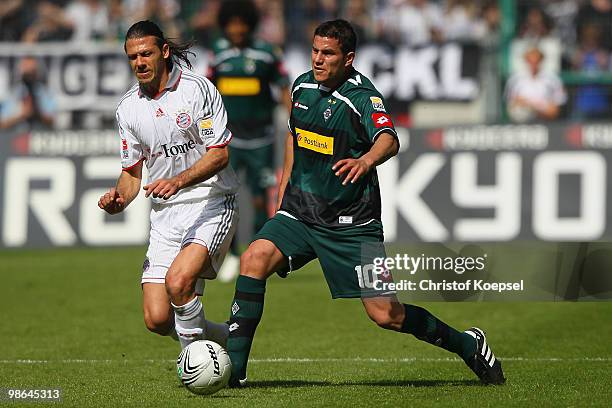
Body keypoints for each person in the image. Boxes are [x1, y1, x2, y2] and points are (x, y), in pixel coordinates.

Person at [225, 19, 505, 387]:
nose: (318, 60)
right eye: (315, 51)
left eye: (328, 53)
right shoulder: (302, 86)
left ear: (349, 58)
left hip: (351, 224)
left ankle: (468, 344)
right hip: (300, 211)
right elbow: (294, 138)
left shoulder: (362, 97)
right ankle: (234, 374)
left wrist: (365, 160)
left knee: (386, 314)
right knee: (253, 258)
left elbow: (389, 139)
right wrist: (282, 195)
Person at [98, 20, 238, 350]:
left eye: (145, 54)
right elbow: (132, 174)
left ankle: (195, 364)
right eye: (132, 57)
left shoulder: (196, 89)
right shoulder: (128, 109)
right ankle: (228, 339)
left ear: (163, 52)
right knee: (157, 319)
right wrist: (120, 198)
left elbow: (219, 155)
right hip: (164, 215)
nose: (139, 63)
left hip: (211, 201)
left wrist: (178, 181)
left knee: (179, 282)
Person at [208, 0, 291, 282]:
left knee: (259, 199)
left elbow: (282, 88)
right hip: (228, 139)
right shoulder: (218, 55)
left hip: (262, 139)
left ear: (250, 23)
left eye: (241, 22)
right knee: (225, 199)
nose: (237, 28)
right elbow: (208, 94)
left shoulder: (267, 53)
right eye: (232, 23)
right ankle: (229, 254)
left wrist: (295, 123)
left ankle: (258, 254)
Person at [505, 46, 566, 122]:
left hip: (546, 124)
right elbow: (510, 107)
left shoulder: (553, 80)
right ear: (526, 61)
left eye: (536, 61)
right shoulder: (514, 80)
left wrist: (533, 108)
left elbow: (555, 110)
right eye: (530, 61)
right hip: (520, 125)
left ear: (541, 61)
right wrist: (519, 103)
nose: (533, 65)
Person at [0, 57, 56, 132]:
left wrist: (37, 112)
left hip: (39, 135)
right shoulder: (14, 93)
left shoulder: (44, 92)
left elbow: (52, 120)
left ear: (37, 72)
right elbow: (2, 124)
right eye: (26, 72)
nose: (29, 75)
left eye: (32, 71)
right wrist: (21, 115)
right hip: (14, 137)